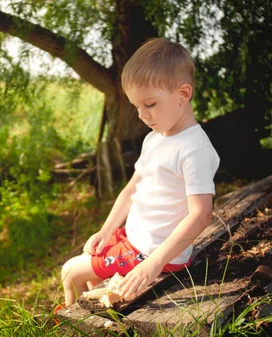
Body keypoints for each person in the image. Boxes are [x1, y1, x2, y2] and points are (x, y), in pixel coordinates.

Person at [60, 38, 220, 307]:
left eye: (150, 104)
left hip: (156, 253)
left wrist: (154, 264)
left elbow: (201, 214)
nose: (142, 115)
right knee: (93, 284)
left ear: (182, 94)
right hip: (136, 238)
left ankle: (66, 325)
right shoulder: (156, 137)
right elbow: (131, 190)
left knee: (69, 272)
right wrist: (105, 230)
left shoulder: (194, 149)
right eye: (137, 107)